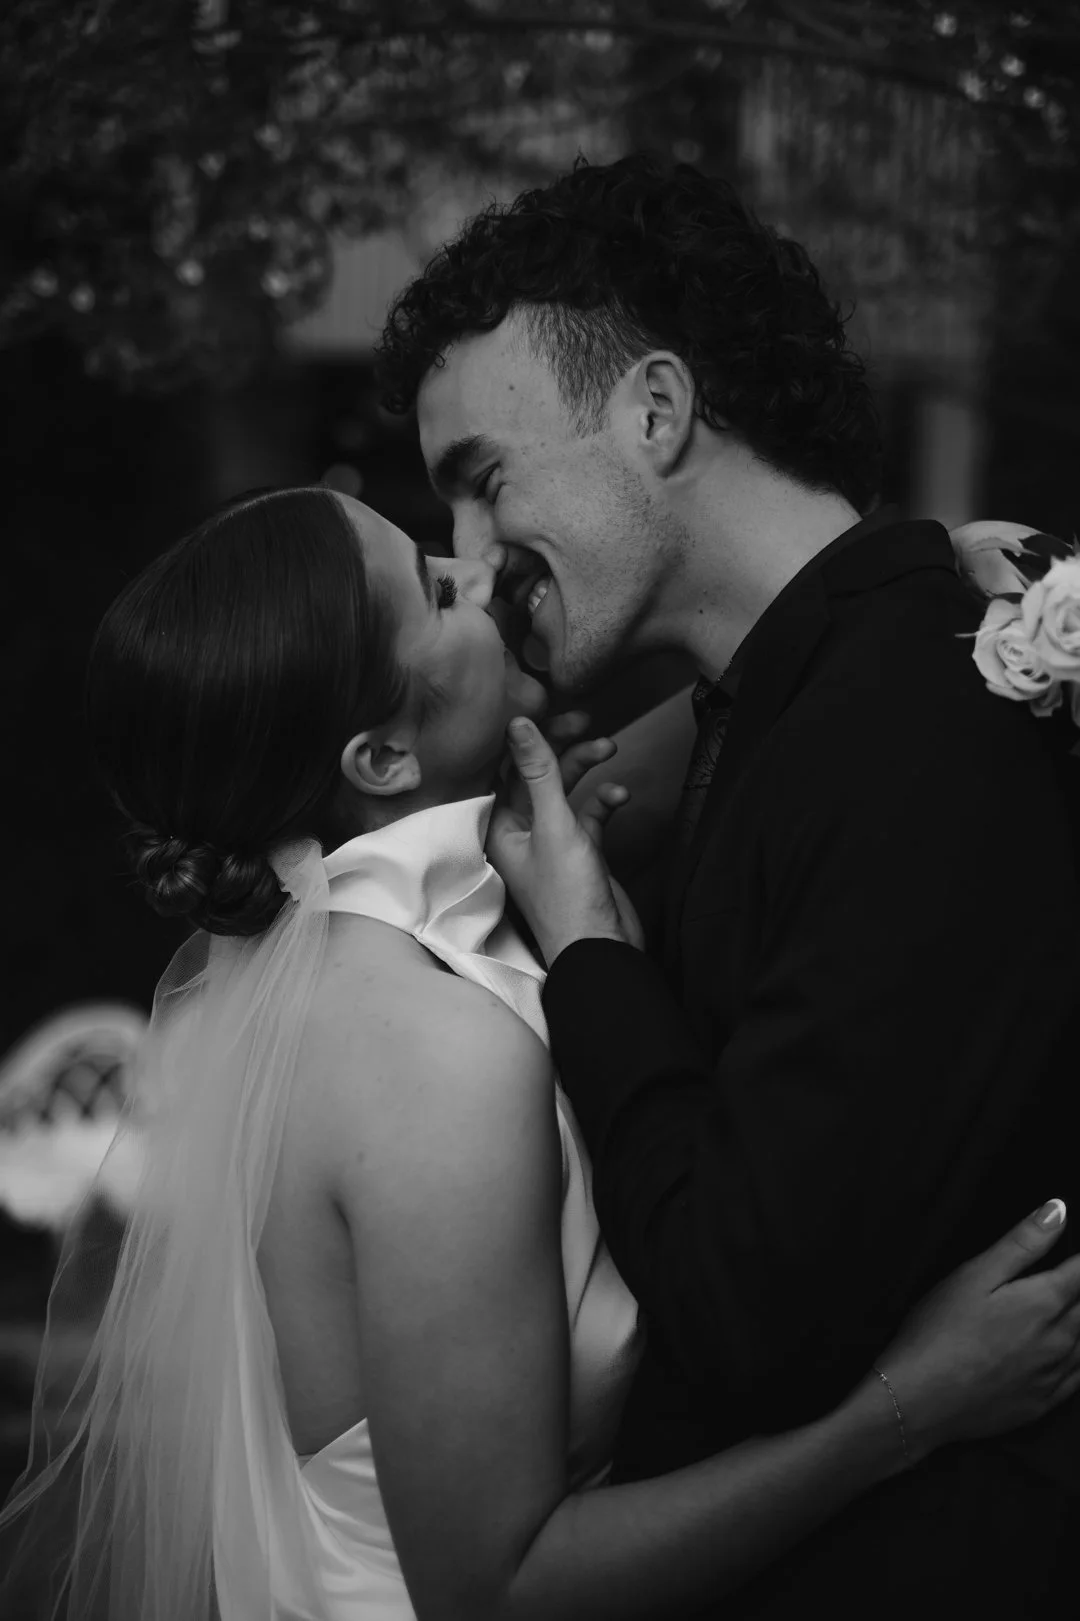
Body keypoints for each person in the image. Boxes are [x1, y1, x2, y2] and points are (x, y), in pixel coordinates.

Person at [1, 486, 1079, 1621]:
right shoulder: (427, 1056)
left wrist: (925, 583)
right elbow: (499, 1590)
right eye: (432, 587)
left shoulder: (417, 916)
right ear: (377, 754)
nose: (477, 566)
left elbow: (755, 699)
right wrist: (906, 1407)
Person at [376, 153, 1080, 1614]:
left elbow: (754, 1311)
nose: (472, 557)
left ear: (656, 409)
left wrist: (588, 956)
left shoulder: (914, 725)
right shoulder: (789, 701)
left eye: (486, 483)